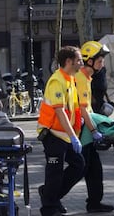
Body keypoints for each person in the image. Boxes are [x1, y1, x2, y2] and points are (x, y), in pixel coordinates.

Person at [37, 46, 85, 216]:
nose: (82, 63)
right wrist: (73, 136)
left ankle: (51, 196)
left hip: (65, 134)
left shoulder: (70, 79)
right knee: (54, 173)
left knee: (79, 166)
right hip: (52, 134)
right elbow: (59, 111)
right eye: (79, 60)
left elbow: (72, 108)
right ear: (68, 61)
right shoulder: (57, 81)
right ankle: (48, 208)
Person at [76, 41, 114, 213]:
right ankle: (50, 195)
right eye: (100, 60)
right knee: (79, 170)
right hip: (81, 132)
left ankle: (94, 203)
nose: (103, 63)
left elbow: (88, 109)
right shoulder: (81, 78)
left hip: (86, 131)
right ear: (89, 60)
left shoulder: (87, 77)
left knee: (94, 170)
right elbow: (83, 109)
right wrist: (94, 130)